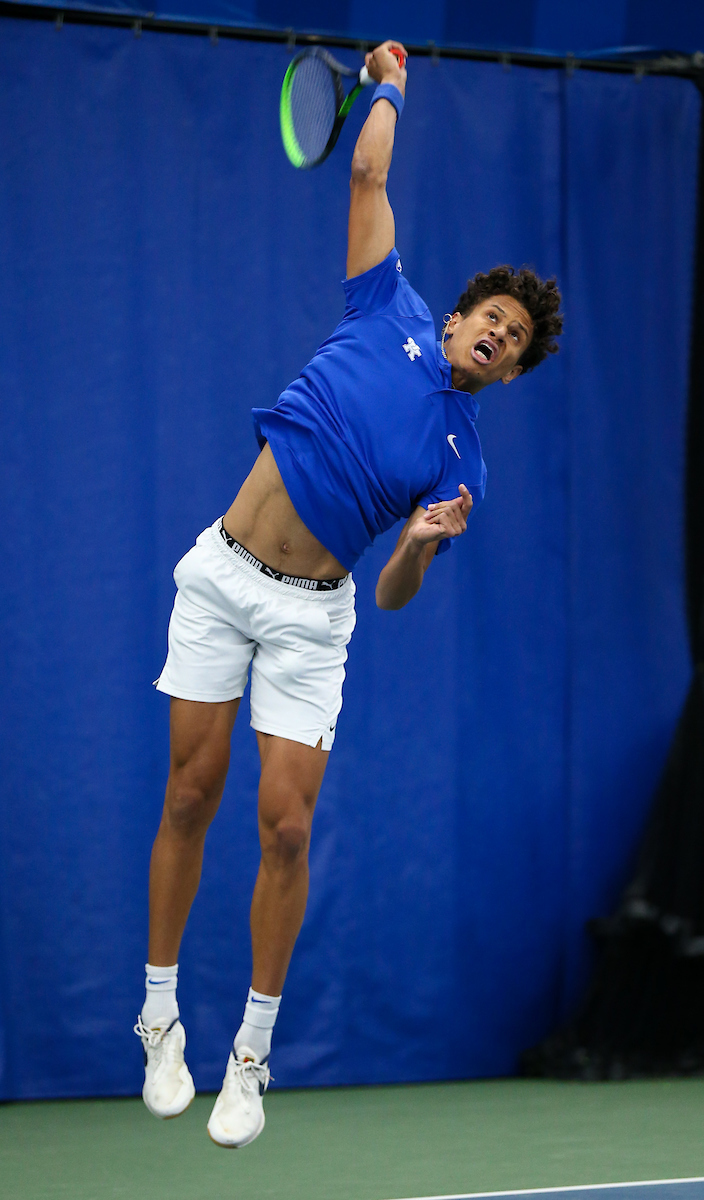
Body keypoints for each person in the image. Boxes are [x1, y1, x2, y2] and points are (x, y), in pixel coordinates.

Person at [134, 38, 562, 1148]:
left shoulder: (462, 464)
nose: (494, 334)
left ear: (508, 373)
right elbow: (367, 177)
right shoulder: (388, 303)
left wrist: (416, 543)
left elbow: (397, 598)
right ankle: (159, 1015)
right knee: (191, 792)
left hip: (314, 617)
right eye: (490, 318)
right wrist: (389, 88)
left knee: (285, 825)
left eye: (511, 341)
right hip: (221, 576)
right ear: (463, 311)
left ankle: (250, 1056)